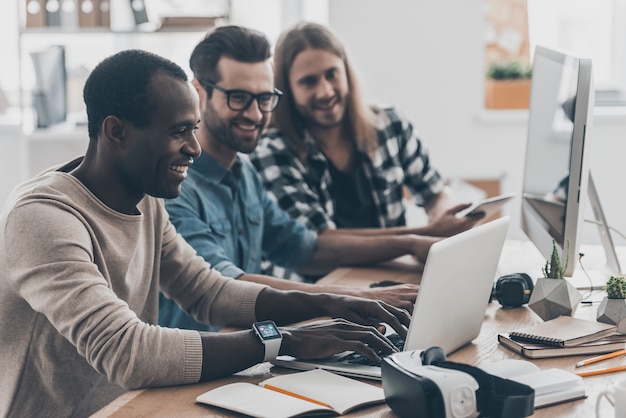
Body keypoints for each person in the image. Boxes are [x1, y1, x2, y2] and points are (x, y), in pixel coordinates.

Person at [0, 49, 414, 417]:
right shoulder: (44, 218)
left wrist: (333, 302)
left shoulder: (146, 196)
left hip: (130, 405)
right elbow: (129, 353)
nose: (195, 148)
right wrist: (285, 340)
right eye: (179, 131)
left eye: (194, 128)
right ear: (116, 131)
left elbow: (207, 292)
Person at [159, 25, 438, 331]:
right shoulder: (174, 187)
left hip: (250, 356)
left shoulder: (245, 172)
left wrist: (411, 242)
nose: (255, 114)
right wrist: (355, 297)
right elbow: (224, 287)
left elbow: (306, 249)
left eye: (264, 98)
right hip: (198, 370)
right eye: (238, 98)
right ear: (198, 92)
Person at [249, 22, 481, 239]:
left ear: (346, 72)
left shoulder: (390, 123)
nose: (326, 92)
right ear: (286, 89)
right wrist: (421, 235)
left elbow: (434, 192)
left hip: (393, 272)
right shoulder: (273, 150)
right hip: (321, 281)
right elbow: (317, 241)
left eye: (332, 74)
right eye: (309, 82)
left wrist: (444, 220)